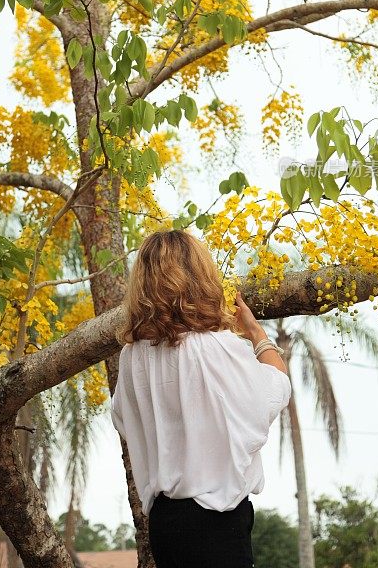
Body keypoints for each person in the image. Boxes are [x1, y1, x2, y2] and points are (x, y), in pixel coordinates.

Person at [110, 229, 291, 568]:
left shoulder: (131, 356)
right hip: (216, 525)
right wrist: (255, 332)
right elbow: (275, 389)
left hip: (165, 525)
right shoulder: (215, 346)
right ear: (199, 276)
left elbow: (122, 418)